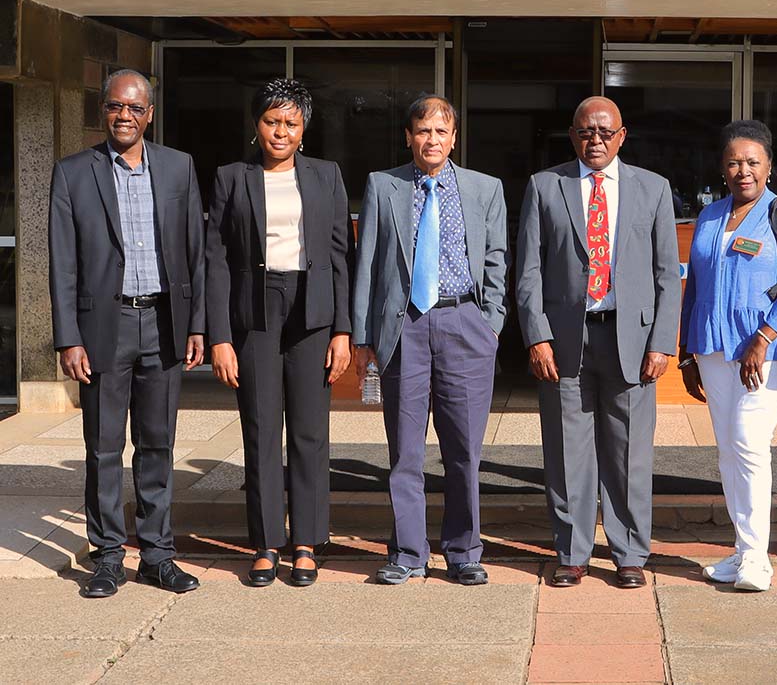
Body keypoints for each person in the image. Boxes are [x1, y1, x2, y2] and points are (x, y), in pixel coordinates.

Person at [49, 70, 206, 599]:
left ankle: (158, 554)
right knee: (103, 447)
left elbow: (194, 253)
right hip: (103, 327)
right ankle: (108, 557)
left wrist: (197, 325)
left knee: (158, 443)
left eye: (135, 109)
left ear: (150, 115)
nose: (124, 116)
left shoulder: (178, 167)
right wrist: (68, 337)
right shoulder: (73, 173)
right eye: (116, 106)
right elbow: (62, 263)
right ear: (103, 110)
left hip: (163, 323)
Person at [515, 97, 680, 588]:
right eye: (587, 131)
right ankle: (571, 551)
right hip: (567, 339)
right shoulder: (546, 187)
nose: (596, 140)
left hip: (632, 339)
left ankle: (630, 554)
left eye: (606, 132)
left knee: (629, 453)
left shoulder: (653, 189)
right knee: (568, 452)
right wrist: (537, 335)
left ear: (622, 136)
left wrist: (662, 342)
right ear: (573, 135)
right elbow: (528, 271)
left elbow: (667, 273)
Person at [351, 94, 507, 586]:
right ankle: (408, 552)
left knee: (463, 450)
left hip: (465, 323)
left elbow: (498, 260)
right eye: (423, 131)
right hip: (404, 329)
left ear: (454, 138)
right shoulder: (385, 186)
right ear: (408, 136)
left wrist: (491, 324)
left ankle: (463, 550)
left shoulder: (486, 189)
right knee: (405, 450)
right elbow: (368, 264)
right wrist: (363, 335)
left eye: (441, 131)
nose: (431, 140)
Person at [205, 79, 351, 587]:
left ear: (304, 128)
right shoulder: (231, 177)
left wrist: (342, 331)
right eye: (271, 121)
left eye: (290, 122)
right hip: (255, 315)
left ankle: (307, 541)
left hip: (312, 312)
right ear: (256, 125)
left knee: (310, 433)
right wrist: (219, 335)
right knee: (262, 431)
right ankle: (266, 542)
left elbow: (338, 256)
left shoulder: (326, 176)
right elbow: (216, 260)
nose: (280, 131)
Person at [678, 120, 777, 592]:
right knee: (728, 452)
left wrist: (762, 336)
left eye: (753, 162)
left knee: (750, 446)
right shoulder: (711, 216)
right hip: (712, 349)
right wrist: (687, 351)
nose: (744, 171)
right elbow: (694, 285)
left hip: (764, 353)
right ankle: (740, 552)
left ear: (769, 166)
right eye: (735, 162)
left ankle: (757, 559)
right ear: (723, 167)